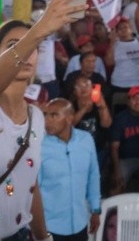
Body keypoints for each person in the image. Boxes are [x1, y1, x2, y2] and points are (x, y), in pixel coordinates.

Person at [0, 0, 85, 240]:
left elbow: (30, 183)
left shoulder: (36, 117)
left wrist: (42, 236)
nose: (27, 53)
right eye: (13, 46)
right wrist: (38, 31)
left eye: (33, 47)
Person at [39, 98, 101, 241]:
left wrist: (96, 210)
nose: (47, 121)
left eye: (54, 115)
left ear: (69, 118)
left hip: (80, 223)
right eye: (45, 115)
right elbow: (33, 190)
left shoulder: (86, 140)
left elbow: (93, 175)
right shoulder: (39, 146)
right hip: (49, 227)